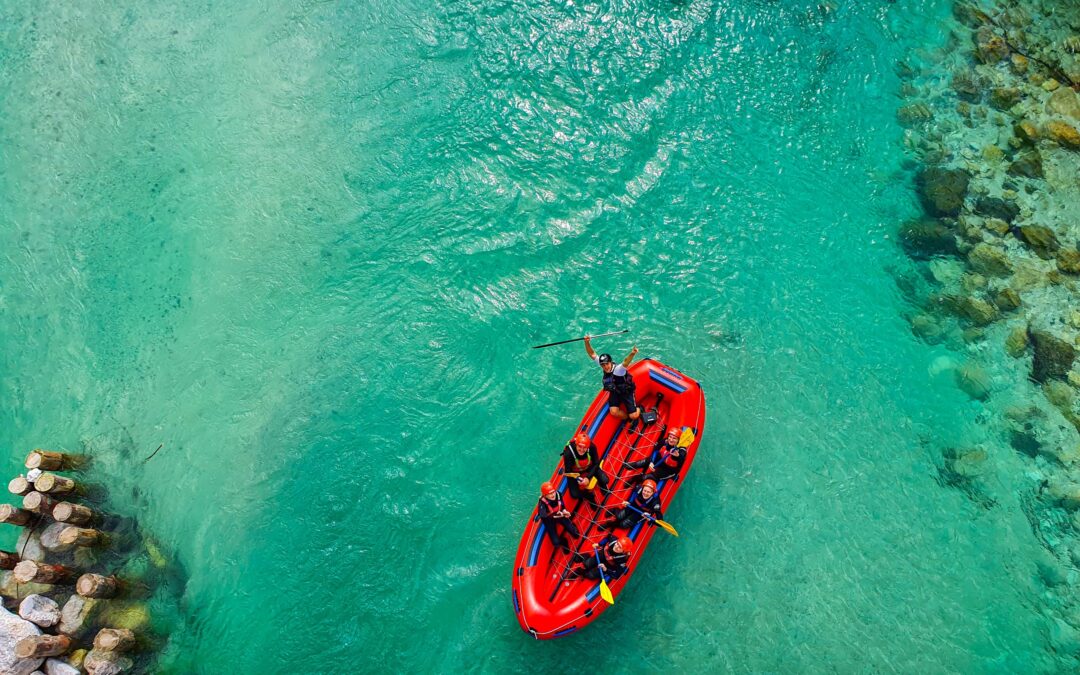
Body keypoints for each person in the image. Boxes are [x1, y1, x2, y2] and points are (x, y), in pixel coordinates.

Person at [584, 337, 640, 423]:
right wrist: (587, 342)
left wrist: (632, 353)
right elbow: (592, 354)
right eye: (603, 365)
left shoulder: (618, 370)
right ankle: (627, 419)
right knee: (613, 412)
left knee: (634, 415)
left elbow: (625, 362)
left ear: (611, 362)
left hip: (626, 392)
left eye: (607, 364)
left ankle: (639, 409)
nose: (605, 367)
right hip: (615, 391)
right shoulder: (603, 366)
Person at [562, 431, 609, 503]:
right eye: (579, 446)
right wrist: (578, 478)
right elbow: (568, 471)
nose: (581, 450)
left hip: (589, 467)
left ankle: (602, 486)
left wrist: (588, 477)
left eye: (584, 448)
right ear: (576, 444)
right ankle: (589, 496)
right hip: (576, 472)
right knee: (574, 495)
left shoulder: (592, 447)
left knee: (605, 480)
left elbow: (596, 463)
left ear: (588, 446)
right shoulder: (568, 453)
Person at [537, 482, 579, 553]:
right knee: (556, 543)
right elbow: (543, 515)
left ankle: (573, 527)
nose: (552, 495)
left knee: (575, 534)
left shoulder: (558, 494)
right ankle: (564, 541)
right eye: (549, 494)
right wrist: (555, 515)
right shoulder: (542, 503)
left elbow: (562, 504)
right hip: (550, 520)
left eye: (553, 492)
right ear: (545, 495)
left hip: (560, 515)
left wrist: (564, 511)